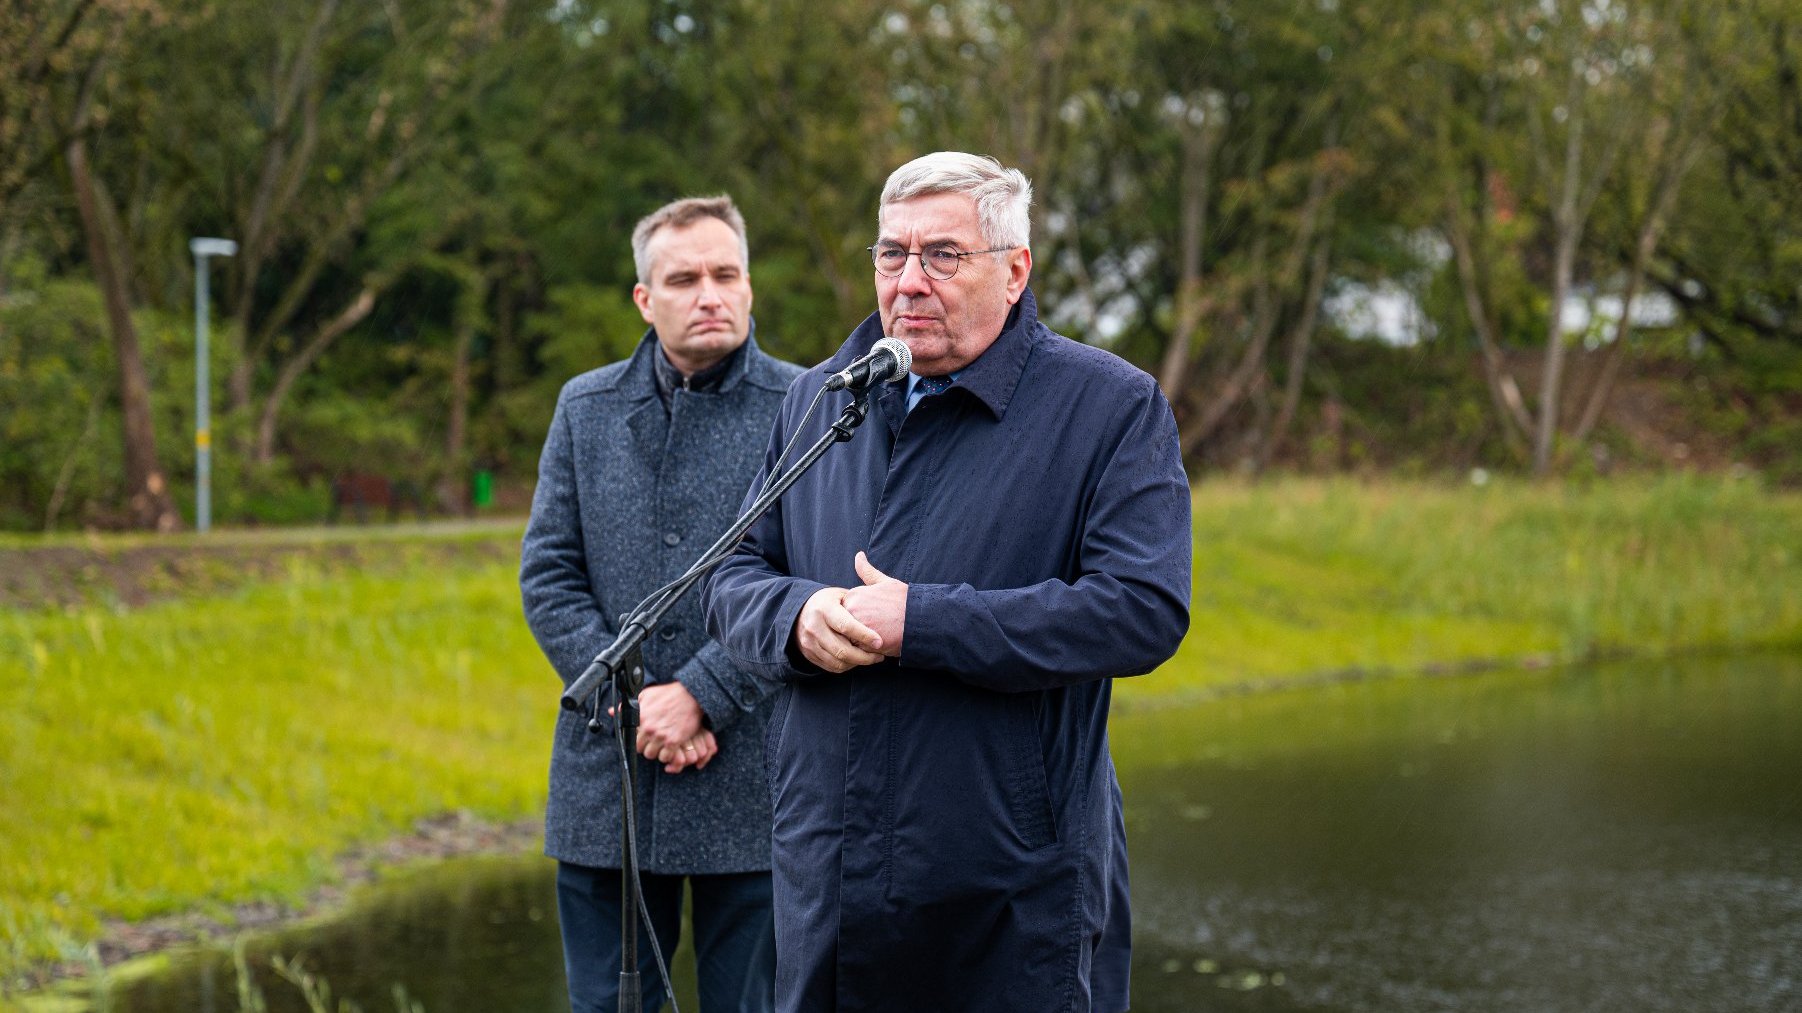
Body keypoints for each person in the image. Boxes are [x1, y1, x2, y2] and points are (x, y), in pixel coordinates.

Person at [702, 153, 1192, 1012]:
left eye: (944, 255)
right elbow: (732, 574)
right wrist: (797, 616)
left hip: (1011, 890)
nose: (910, 281)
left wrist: (921, 623)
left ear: (1015, 270)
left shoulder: (1111, 406)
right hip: (832, 877)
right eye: (893, 255)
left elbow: (1141, 610)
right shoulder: (821, 400)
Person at [521, 194, 802, 1013]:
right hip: (608, 775)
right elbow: (548, 575)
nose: (709, 293)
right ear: (646, 299)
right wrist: (640, 702)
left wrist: (706, 695)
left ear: (750, 287)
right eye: (684, 278)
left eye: (726, 274)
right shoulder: (586, 408)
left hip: (754, 776)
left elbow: (809, 580)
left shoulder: (808, 408)